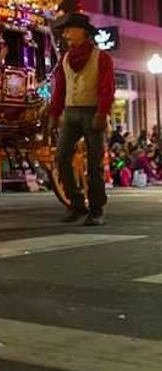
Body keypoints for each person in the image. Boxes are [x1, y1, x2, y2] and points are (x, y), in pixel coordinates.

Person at [49, 12, 115, 225]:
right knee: (61, 158)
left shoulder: (101, 57)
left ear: (83, 32)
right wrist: (55, 113)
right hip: (70, 113)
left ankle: (96, 210)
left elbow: (107, 89)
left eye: (69, 30)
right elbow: (59, 90)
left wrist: (102, 113)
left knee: (95, 163)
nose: (65, 34)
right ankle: (77, 204)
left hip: (92, 113)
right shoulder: (65, 59)